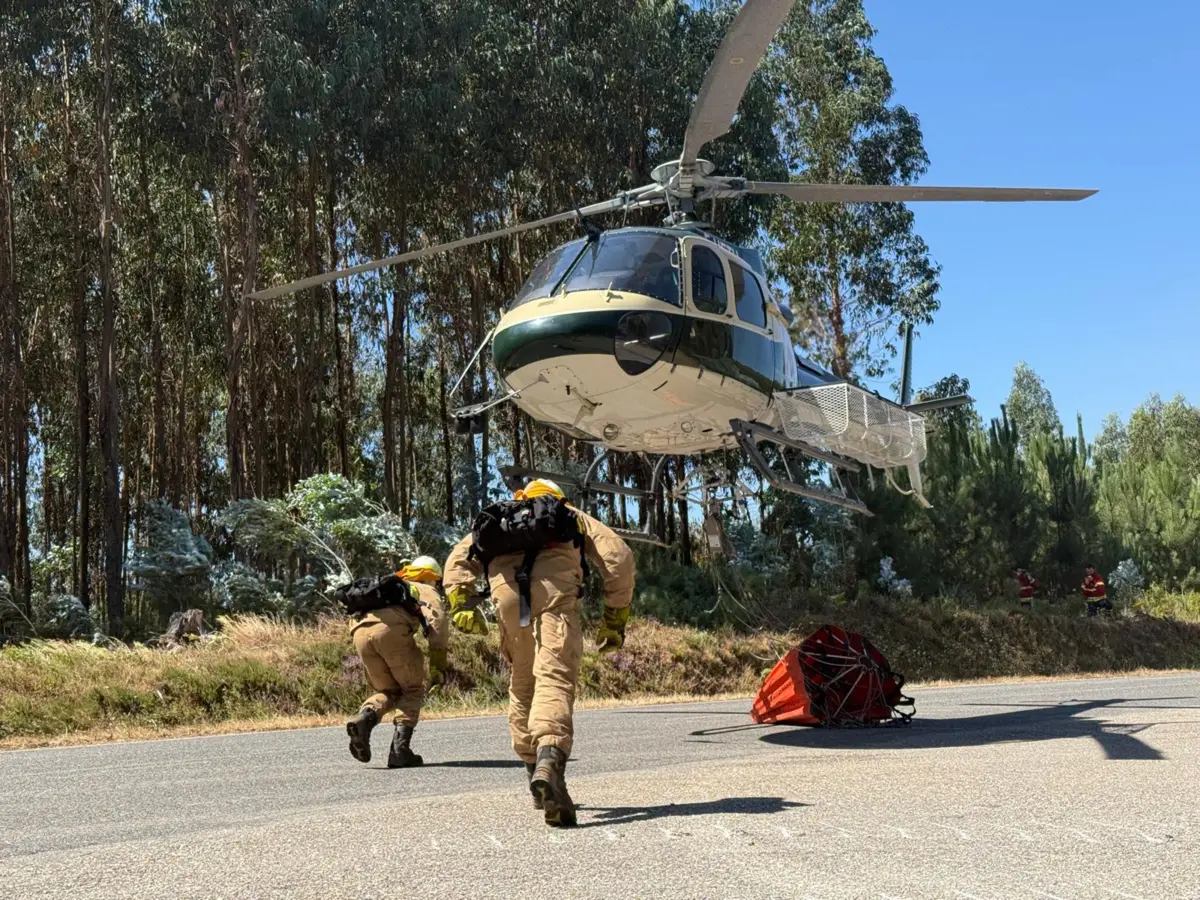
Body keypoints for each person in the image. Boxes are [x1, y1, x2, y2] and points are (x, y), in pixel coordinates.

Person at [443, 478, 634, 827]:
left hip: (509, 602)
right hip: (554, 597)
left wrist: (461, 603)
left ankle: (534, 773)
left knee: (522, 683)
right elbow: (617, 555)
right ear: (557, 498)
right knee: (554, 679)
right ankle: (550, 759)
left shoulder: (503, 517)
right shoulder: (568, 513)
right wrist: (615, 617)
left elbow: (458, 560)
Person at [342, 556, 449, 768]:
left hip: (359, 633)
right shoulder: (423, 587)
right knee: (412, 689)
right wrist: (438, 662)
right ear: (433, 577)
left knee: (390, 690)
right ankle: (400, 751)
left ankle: (364, 719)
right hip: (390, 633)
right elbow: (438, 622)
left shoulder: (392, 586)